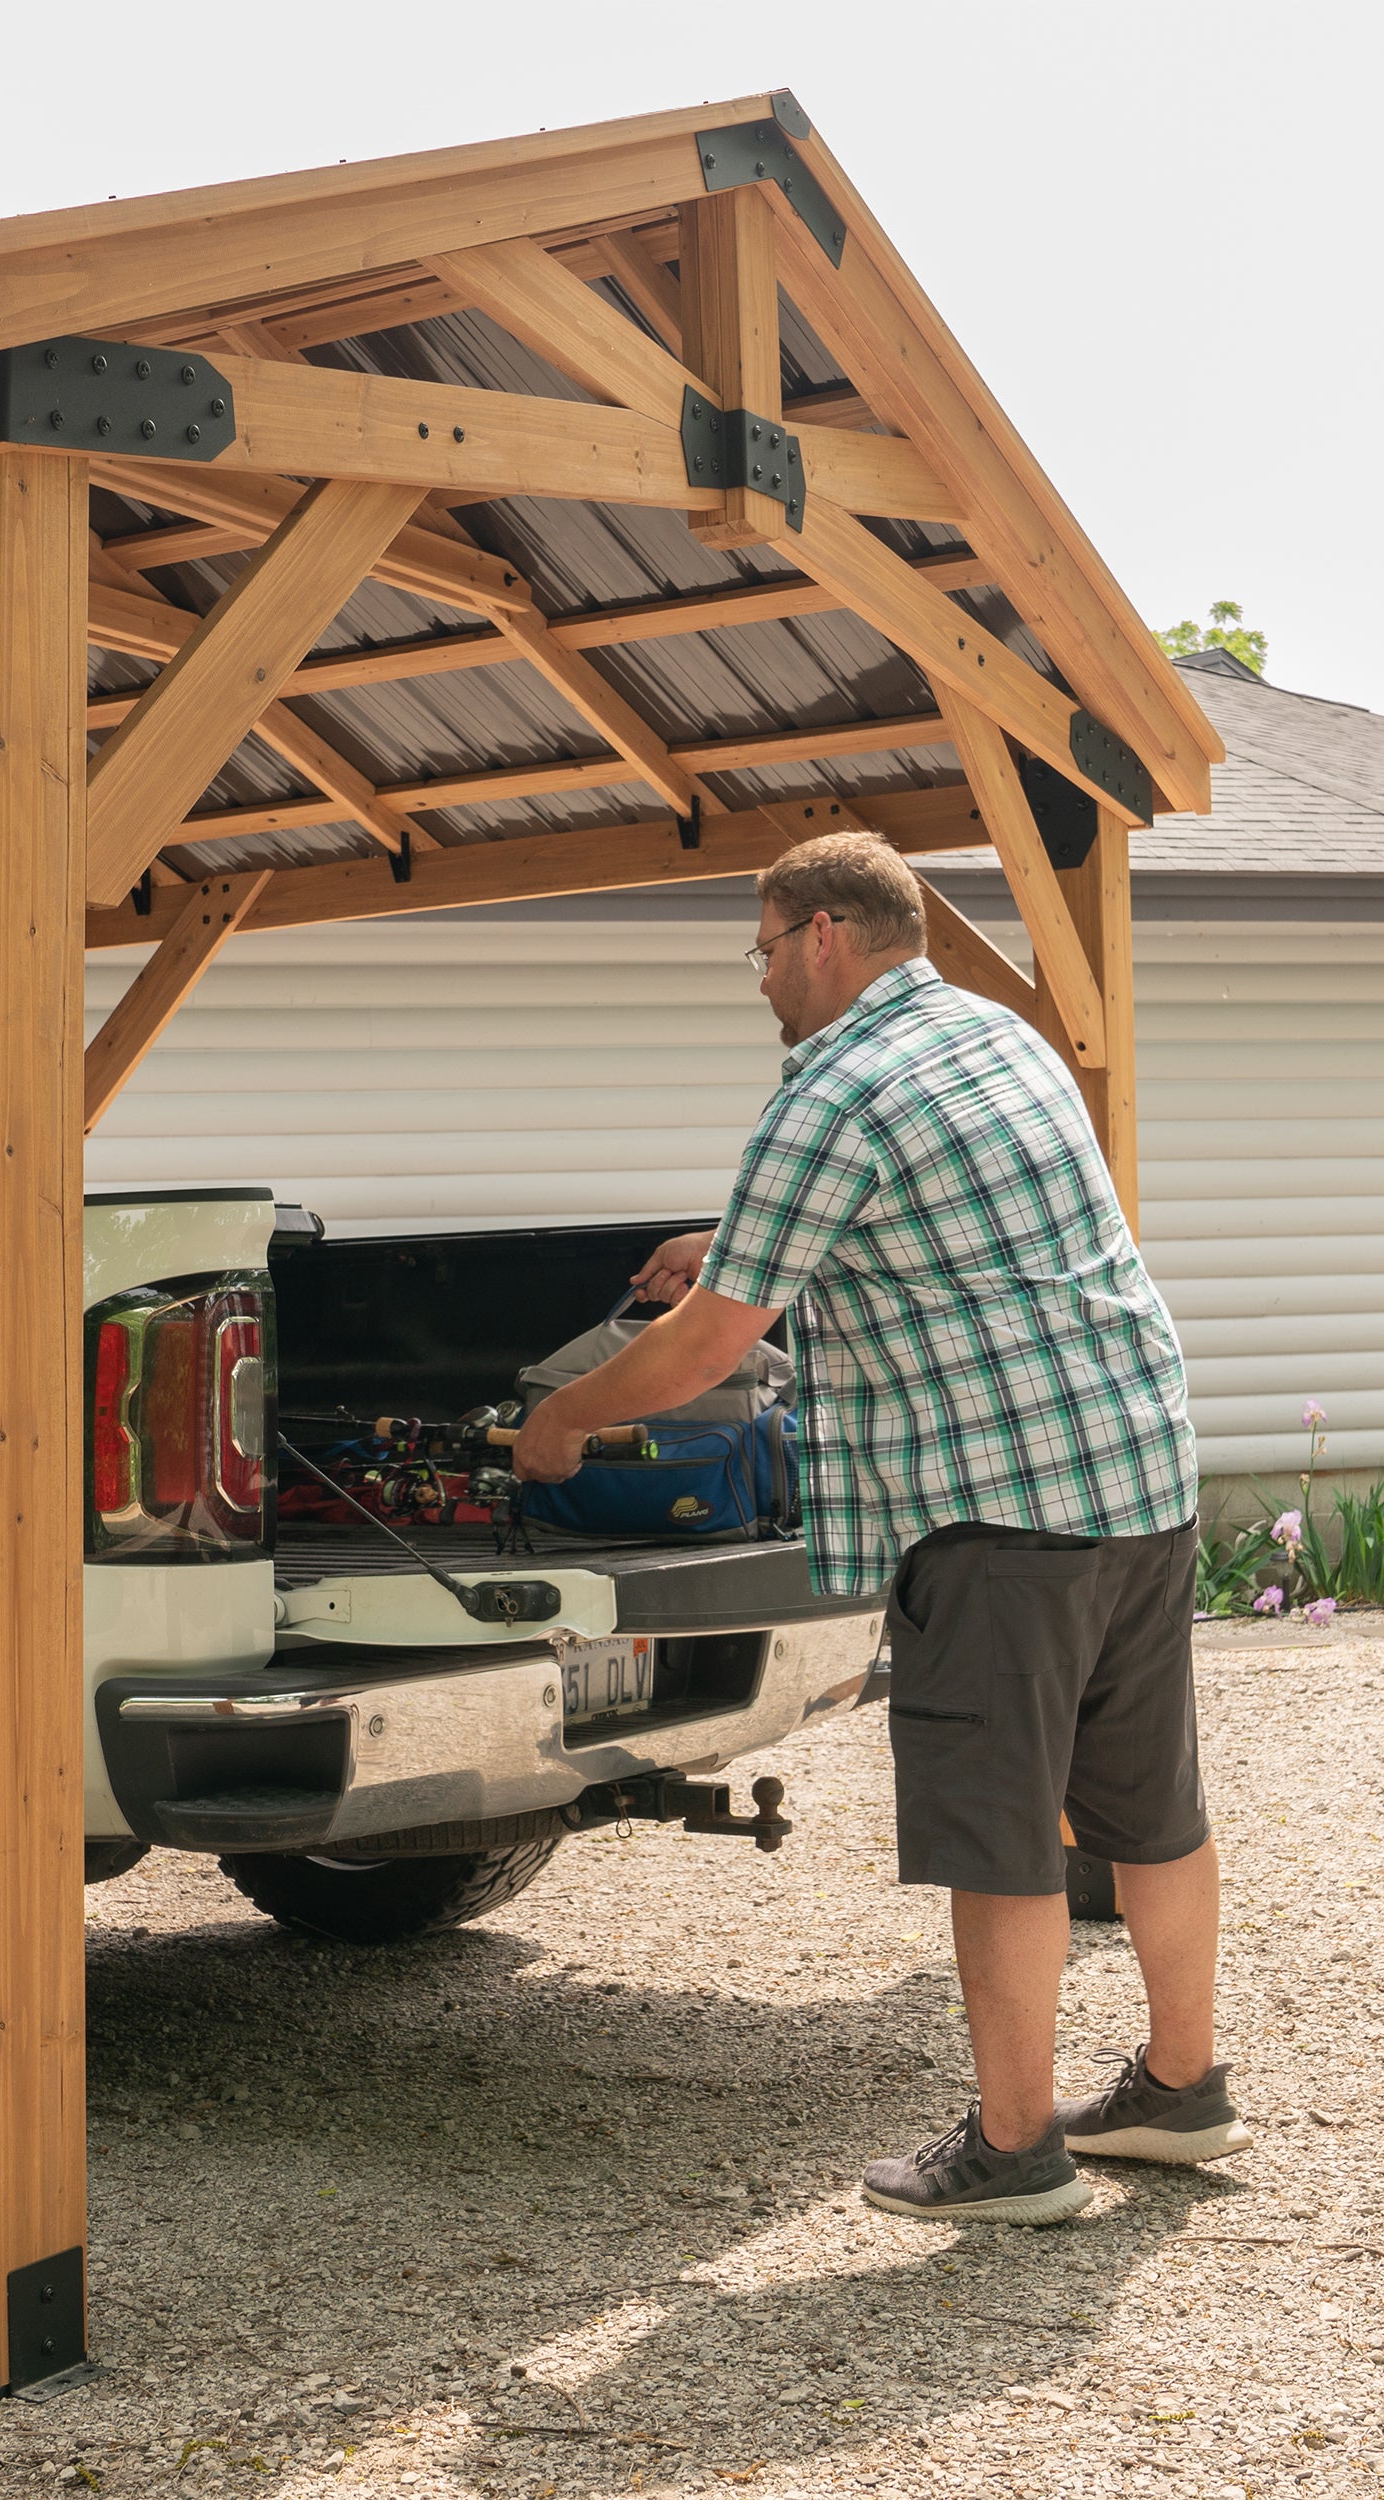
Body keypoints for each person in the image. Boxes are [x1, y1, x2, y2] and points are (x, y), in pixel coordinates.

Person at [513, 830, 1247, 2224]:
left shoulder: (829, 1091)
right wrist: (732, 1232)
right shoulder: (995, 1036)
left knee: (998, 1831)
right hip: (1137, 1472)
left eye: (763, 951)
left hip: (999, 1512)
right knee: (1150, 1806)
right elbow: (940, 1207)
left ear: (820, 937)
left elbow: (705, 1348)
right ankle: (1182, 2086)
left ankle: (1016, 2154)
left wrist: (560, 1431)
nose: (764, 981)